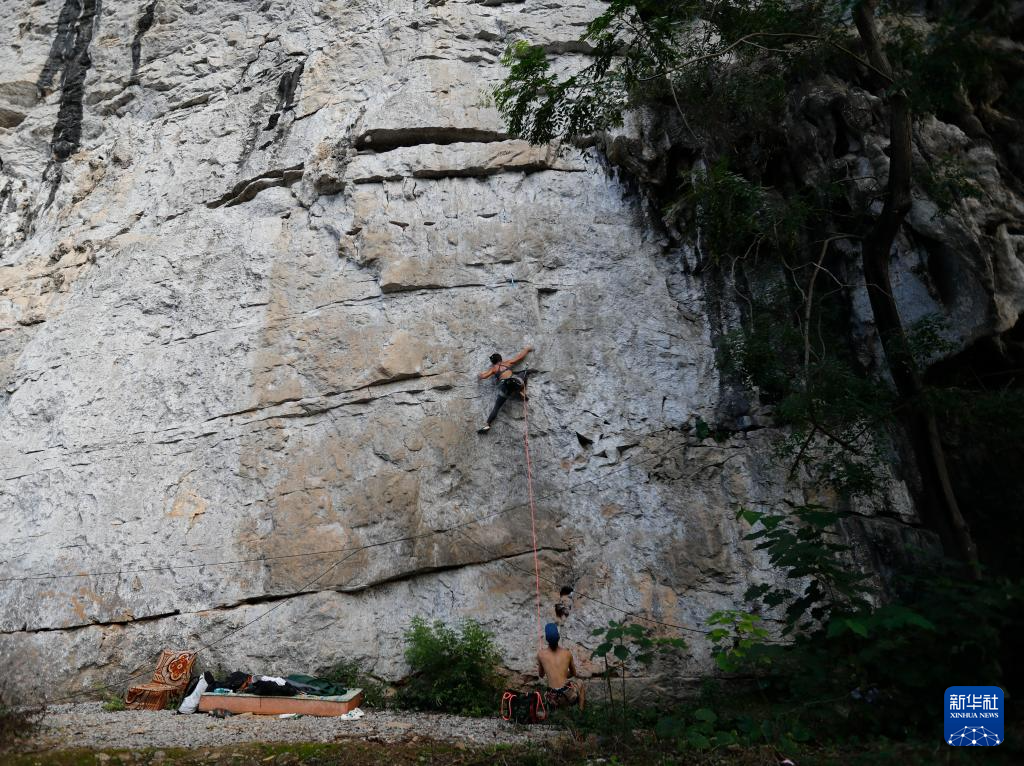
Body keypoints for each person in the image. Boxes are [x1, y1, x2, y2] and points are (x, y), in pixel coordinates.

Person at [477, 345, 533, 433]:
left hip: (505, 387)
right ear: (500, 359)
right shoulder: (507, 363)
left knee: (497, 407)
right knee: (525, 372)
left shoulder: (493, 369)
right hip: (514, 382)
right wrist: (527, 349)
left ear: (493, 362)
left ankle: (487, 425)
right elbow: (519, 357)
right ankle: (522, 391)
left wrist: (480, 375)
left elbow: (484, 376)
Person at [537, 623, 583, 708]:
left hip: (552, 698)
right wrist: (563, 674)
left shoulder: (541, 654)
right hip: (567, 696)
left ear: (547, 639)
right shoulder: (567, 653)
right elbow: (573, 673)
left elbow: (541, 675)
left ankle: (554, 709)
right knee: (580, 683)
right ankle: (580, 711)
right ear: (558, 637)